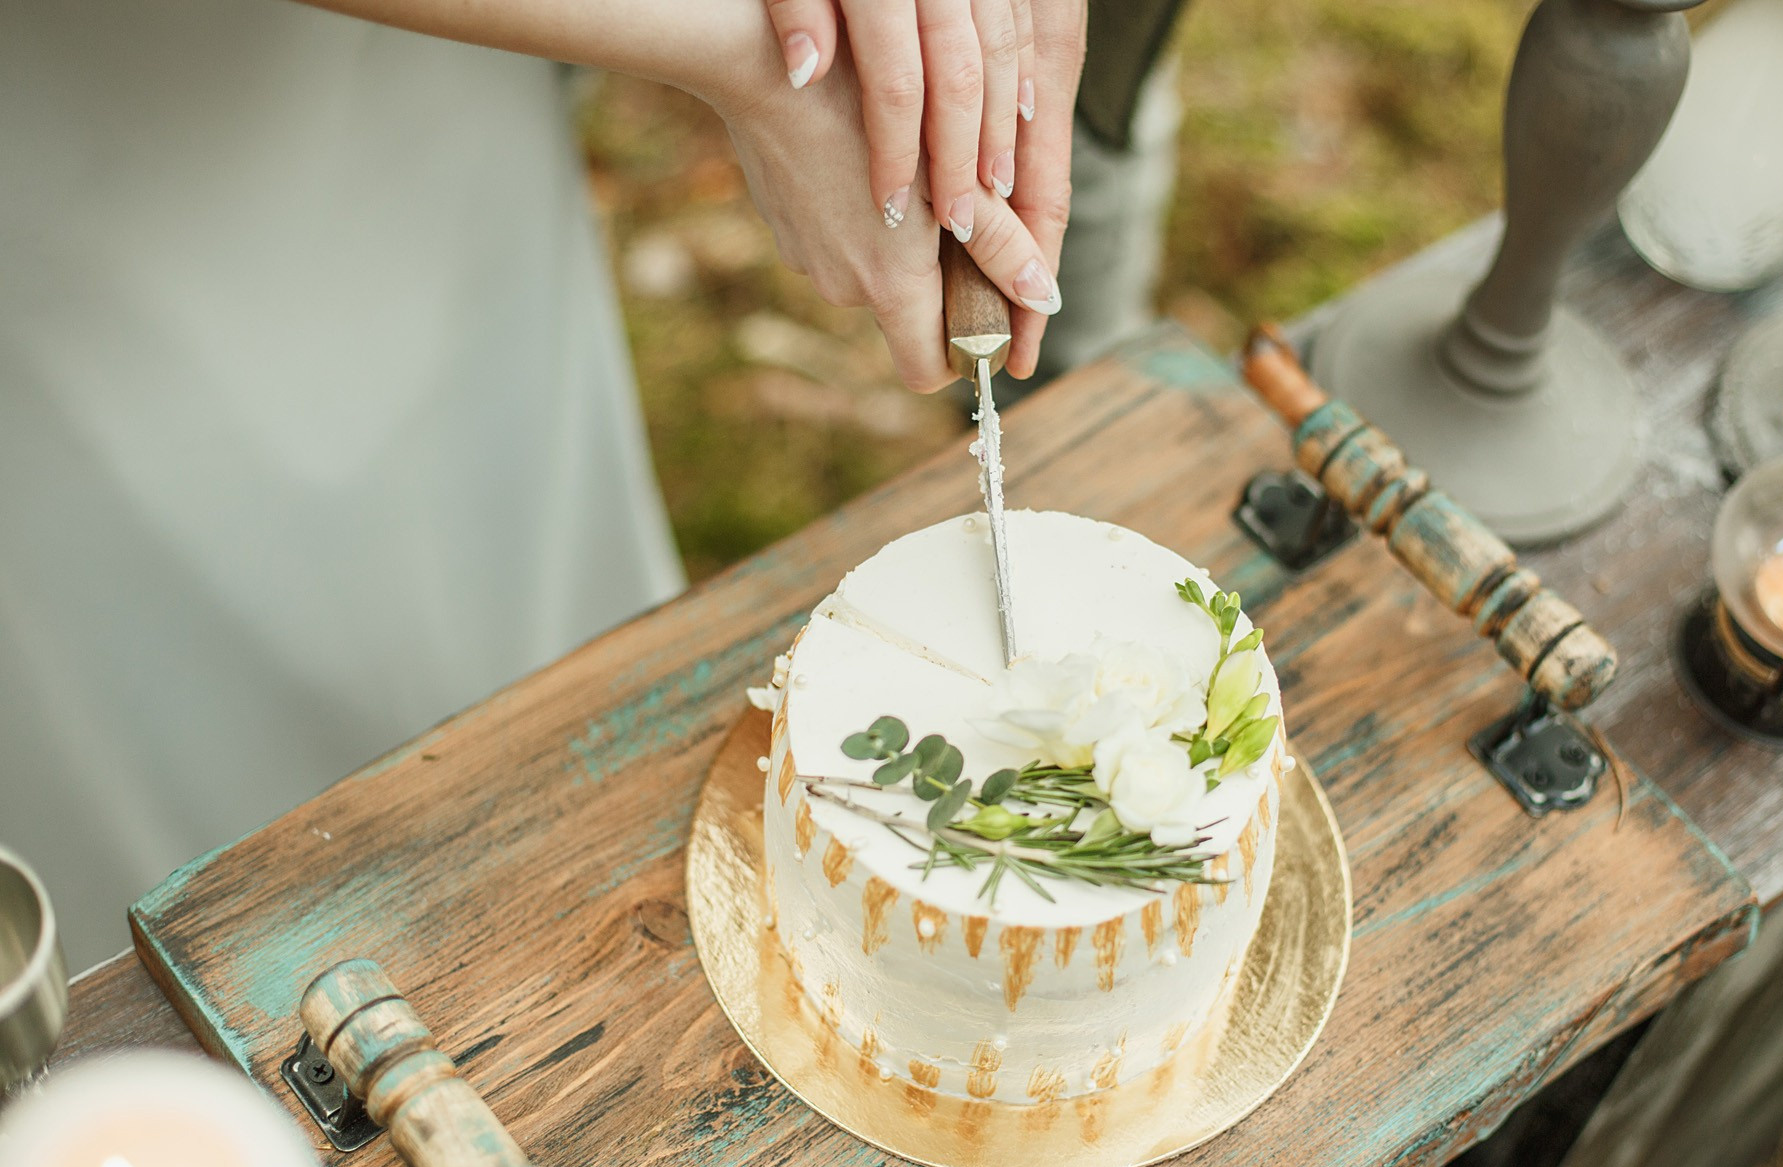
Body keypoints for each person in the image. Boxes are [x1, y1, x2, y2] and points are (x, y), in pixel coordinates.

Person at [0, 0, 1083, 967]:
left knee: (544, 632)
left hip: (437, 80)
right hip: (71, 158)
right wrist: (748, 50)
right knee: (192, 760)